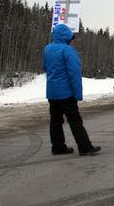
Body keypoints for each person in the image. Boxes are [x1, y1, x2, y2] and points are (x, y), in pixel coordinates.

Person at [43, 24, 100, 156]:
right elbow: (74, 73)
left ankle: (58, 147)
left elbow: (45, 67)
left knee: (55, 120)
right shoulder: (68, 50)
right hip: (66, 92)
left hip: (52, 92)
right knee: (74, 120)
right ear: (67, 37)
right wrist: (77, 94)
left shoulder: (47, 49)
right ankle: (85, 147)